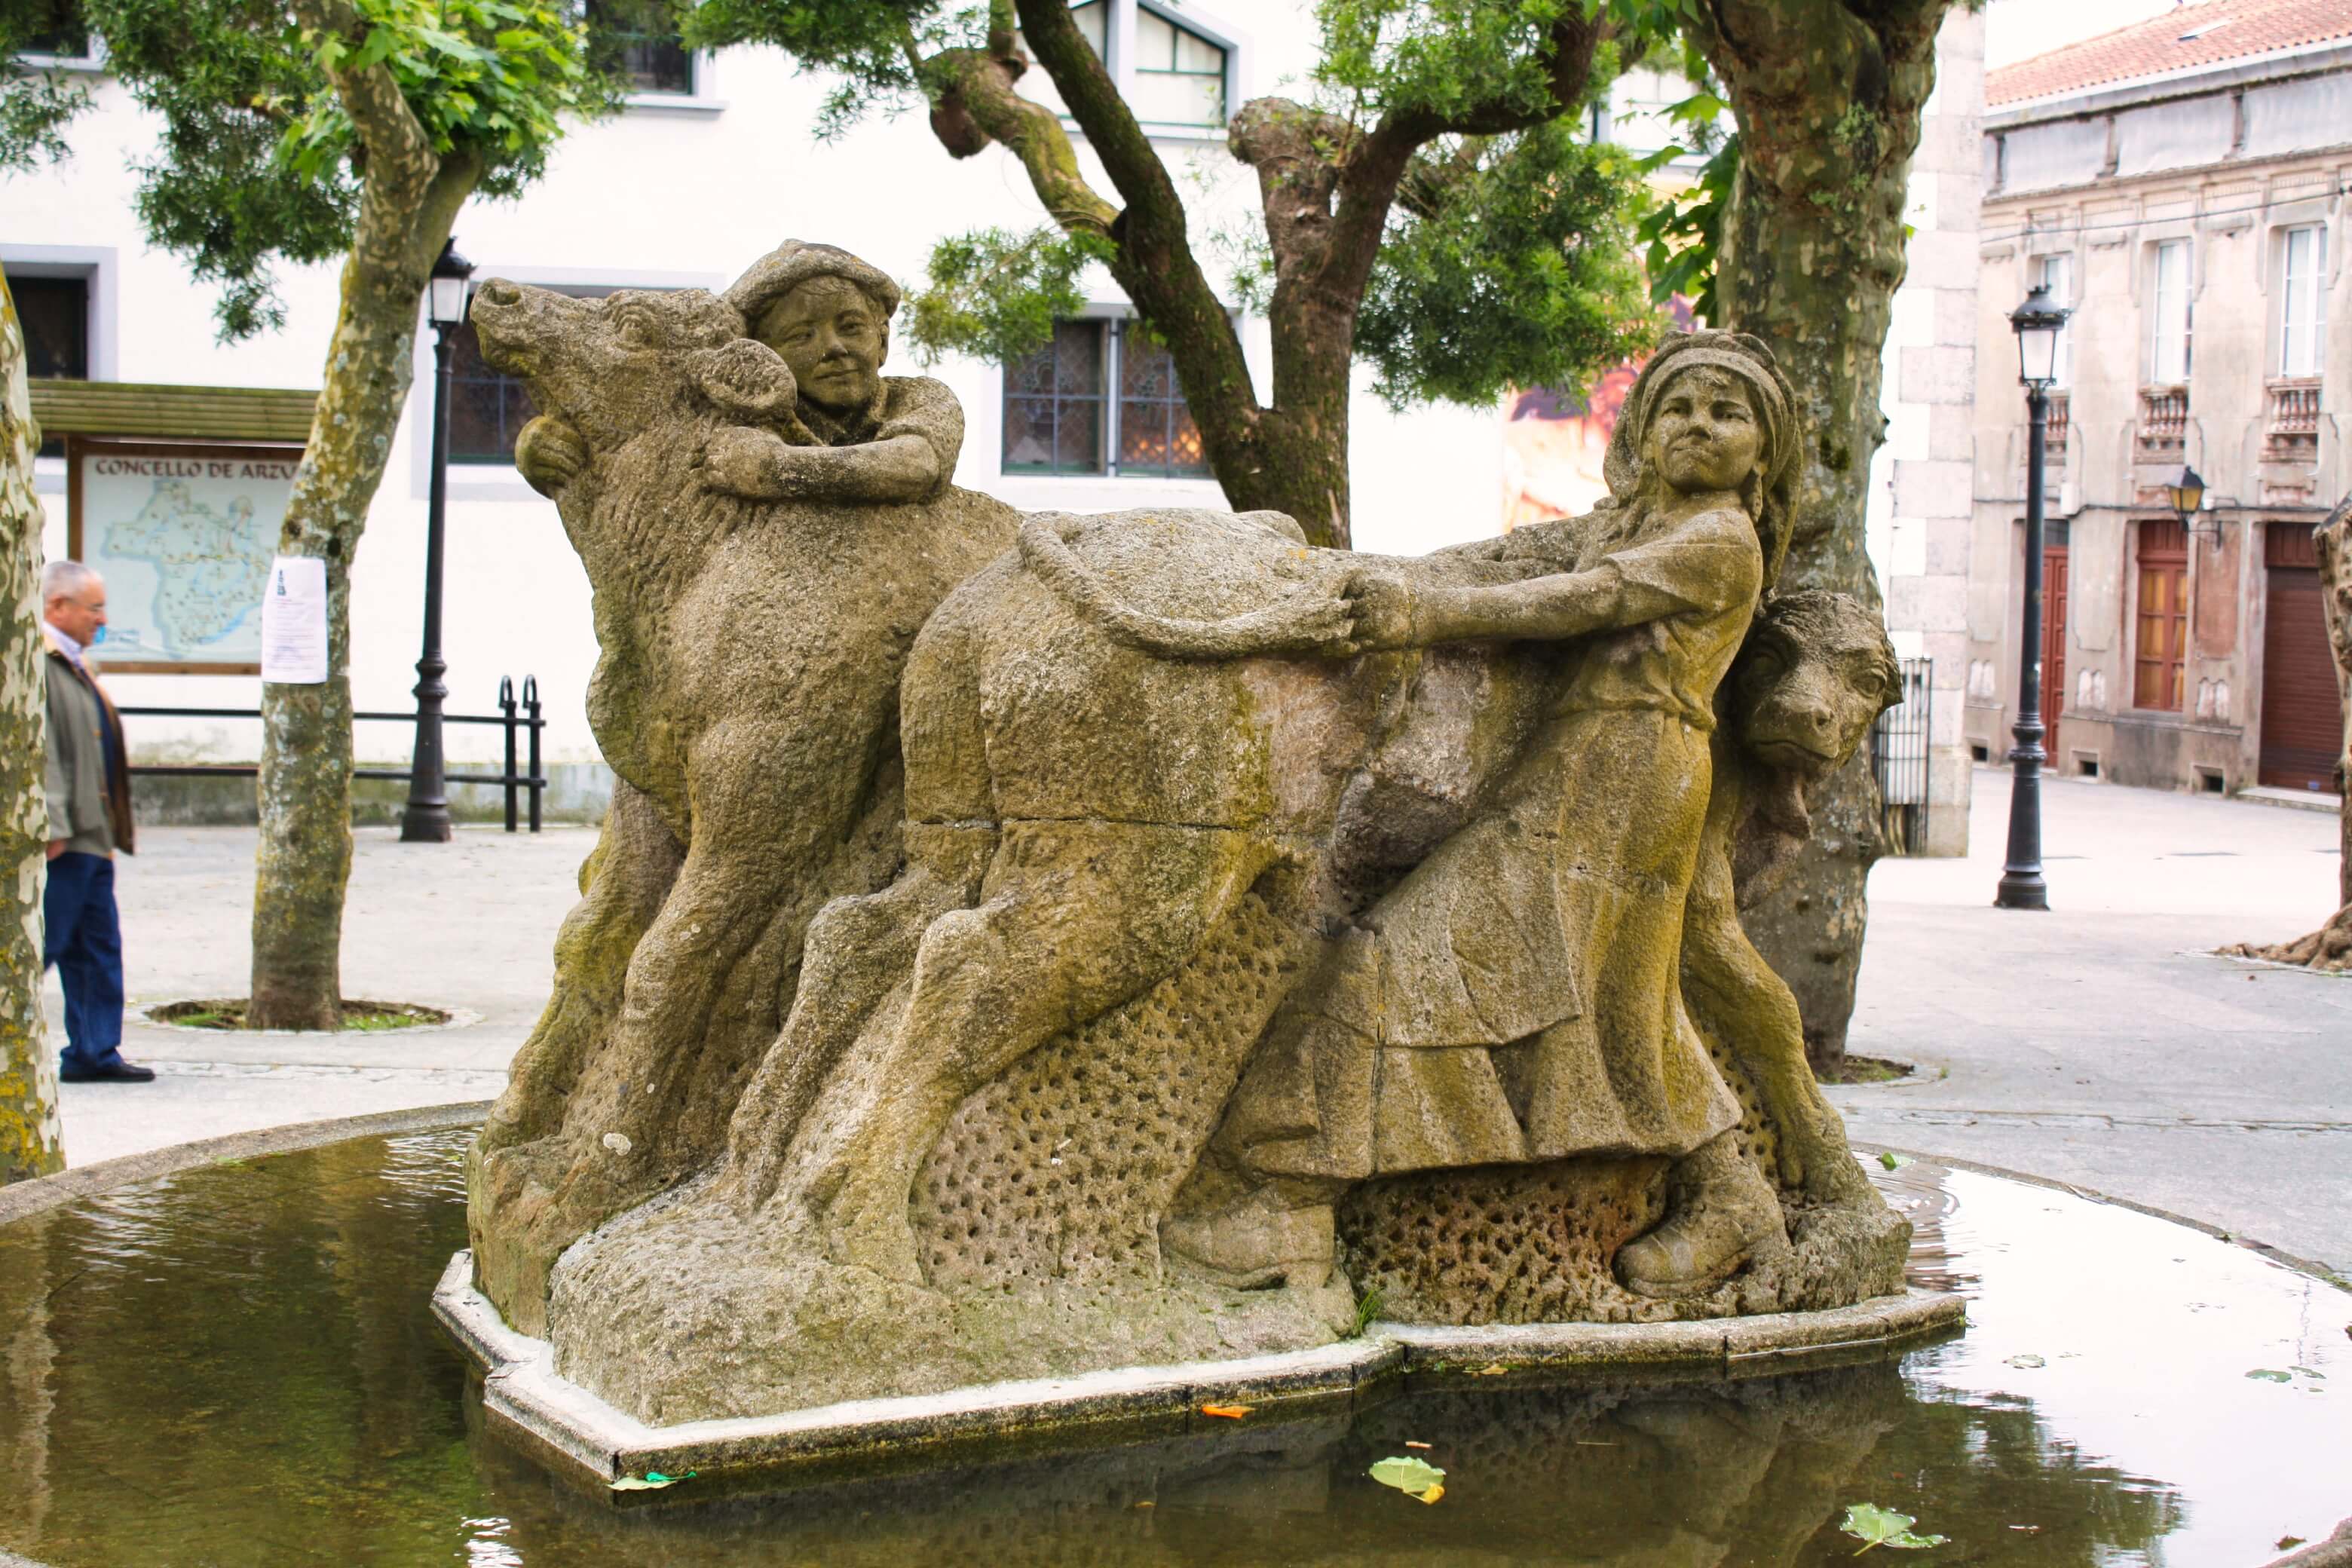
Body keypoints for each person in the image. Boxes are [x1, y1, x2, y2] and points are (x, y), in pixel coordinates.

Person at [1181, 332, 1803, 1297]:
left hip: (1631, 779)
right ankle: (1728, 1191)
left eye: (1727, 413)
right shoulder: (1628, 520)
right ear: (1642, 427)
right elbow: (1510, 560)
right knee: (1613, 998)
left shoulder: (1722, 541)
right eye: (1678, 406)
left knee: (1410, 956)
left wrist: (1430, 617)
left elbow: (1591, 599)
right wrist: (1353, 575)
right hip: (1583, 764)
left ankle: (1287, 1201)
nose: (1697, 426)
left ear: (1763, 451)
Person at [697, 240, 966, 504]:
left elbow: (915, 465)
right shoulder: (757, 418)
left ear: (882, 340)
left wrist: (775, 469)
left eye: (851, 327)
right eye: (802, 336)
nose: (833, 348)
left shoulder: (921, 398)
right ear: (765, 357)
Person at [41, 559, 152, 1084]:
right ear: (57, 606)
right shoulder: (37, 662)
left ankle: (94, 1051)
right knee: (43, 943)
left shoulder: (76, 663)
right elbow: (40, 752)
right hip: (65, 835)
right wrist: (51, 823)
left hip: (93, 833)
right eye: (94, 607)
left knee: (96, 948)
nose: (101, 618)